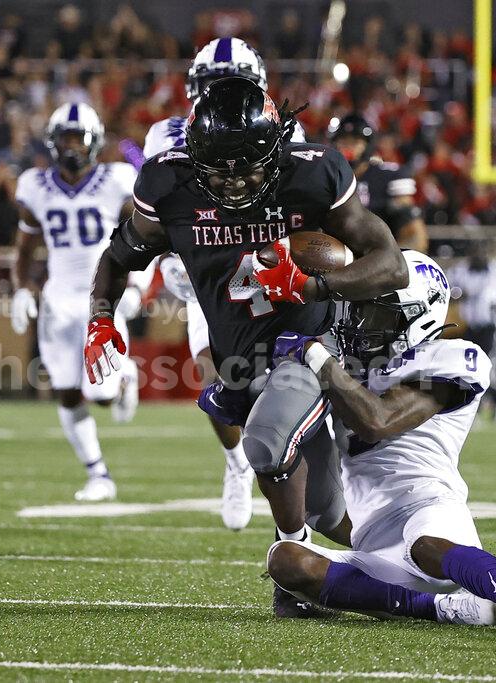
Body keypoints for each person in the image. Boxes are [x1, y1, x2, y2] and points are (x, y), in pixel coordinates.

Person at [86, 77, 407, 615]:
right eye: (219, 170)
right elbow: (118, 258)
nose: (234, 182)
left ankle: (294, 574)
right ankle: (421, 571)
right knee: (328, 511)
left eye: (248, 168)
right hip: (238, 358)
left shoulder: (313, 173)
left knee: (264, 443)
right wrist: (100, 319)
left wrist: (312, 286)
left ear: (276, 150)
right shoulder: (170, 184)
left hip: (312, 345)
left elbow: (391, 264)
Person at [266, 251, 496, 634]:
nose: (360, 324)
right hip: (371, 538)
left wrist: (315, 357)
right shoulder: (348, 368)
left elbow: (378, 421)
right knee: (285, 559)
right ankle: (446, 608)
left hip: (429, 508)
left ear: (419, 316)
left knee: (424, 545)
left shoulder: (445, 357)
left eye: (376, 314)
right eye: (358, 311)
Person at [140, 37, 307, 531]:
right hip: (210, 262)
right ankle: (237, 463)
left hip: (265, 259)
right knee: (215, 373)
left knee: (288, 376)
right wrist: (170, 253)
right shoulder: (167, 133)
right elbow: (161, 204)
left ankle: (296, 492)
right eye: (215, 83)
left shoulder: (284, 129)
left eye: (234, 81)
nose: (224, 91)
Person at [10, 103, 145, 503]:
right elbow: (24, 248)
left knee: (101, 396)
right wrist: (21, 288)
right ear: (53, 143)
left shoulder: (117, 179)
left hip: (101, 296)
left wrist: (136, 286)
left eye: (78, 139)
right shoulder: (34, 185)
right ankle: (97, 473)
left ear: (94, 142)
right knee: (67, 391)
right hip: (58, 300)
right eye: (65, 139)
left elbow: (143, 238)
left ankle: (124, 378)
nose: (71, 147)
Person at [327, 114, 428, 252]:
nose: (348, 147)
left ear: (368, 145)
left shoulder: (389, 175)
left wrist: (391, 256)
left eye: (355, 142)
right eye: (344, 141)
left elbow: (414, 231)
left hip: (382, 252)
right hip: (334, 252)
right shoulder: (326, 176)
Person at [447, 242, 496, 424]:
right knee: (468, 368)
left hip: (490, 326)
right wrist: (459, 295)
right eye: (475, 252)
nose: (479, 256)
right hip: (468, 326)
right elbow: (448, 291)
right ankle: (480, 407)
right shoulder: (460, 270)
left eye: (482, 252)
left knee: (486, 366)